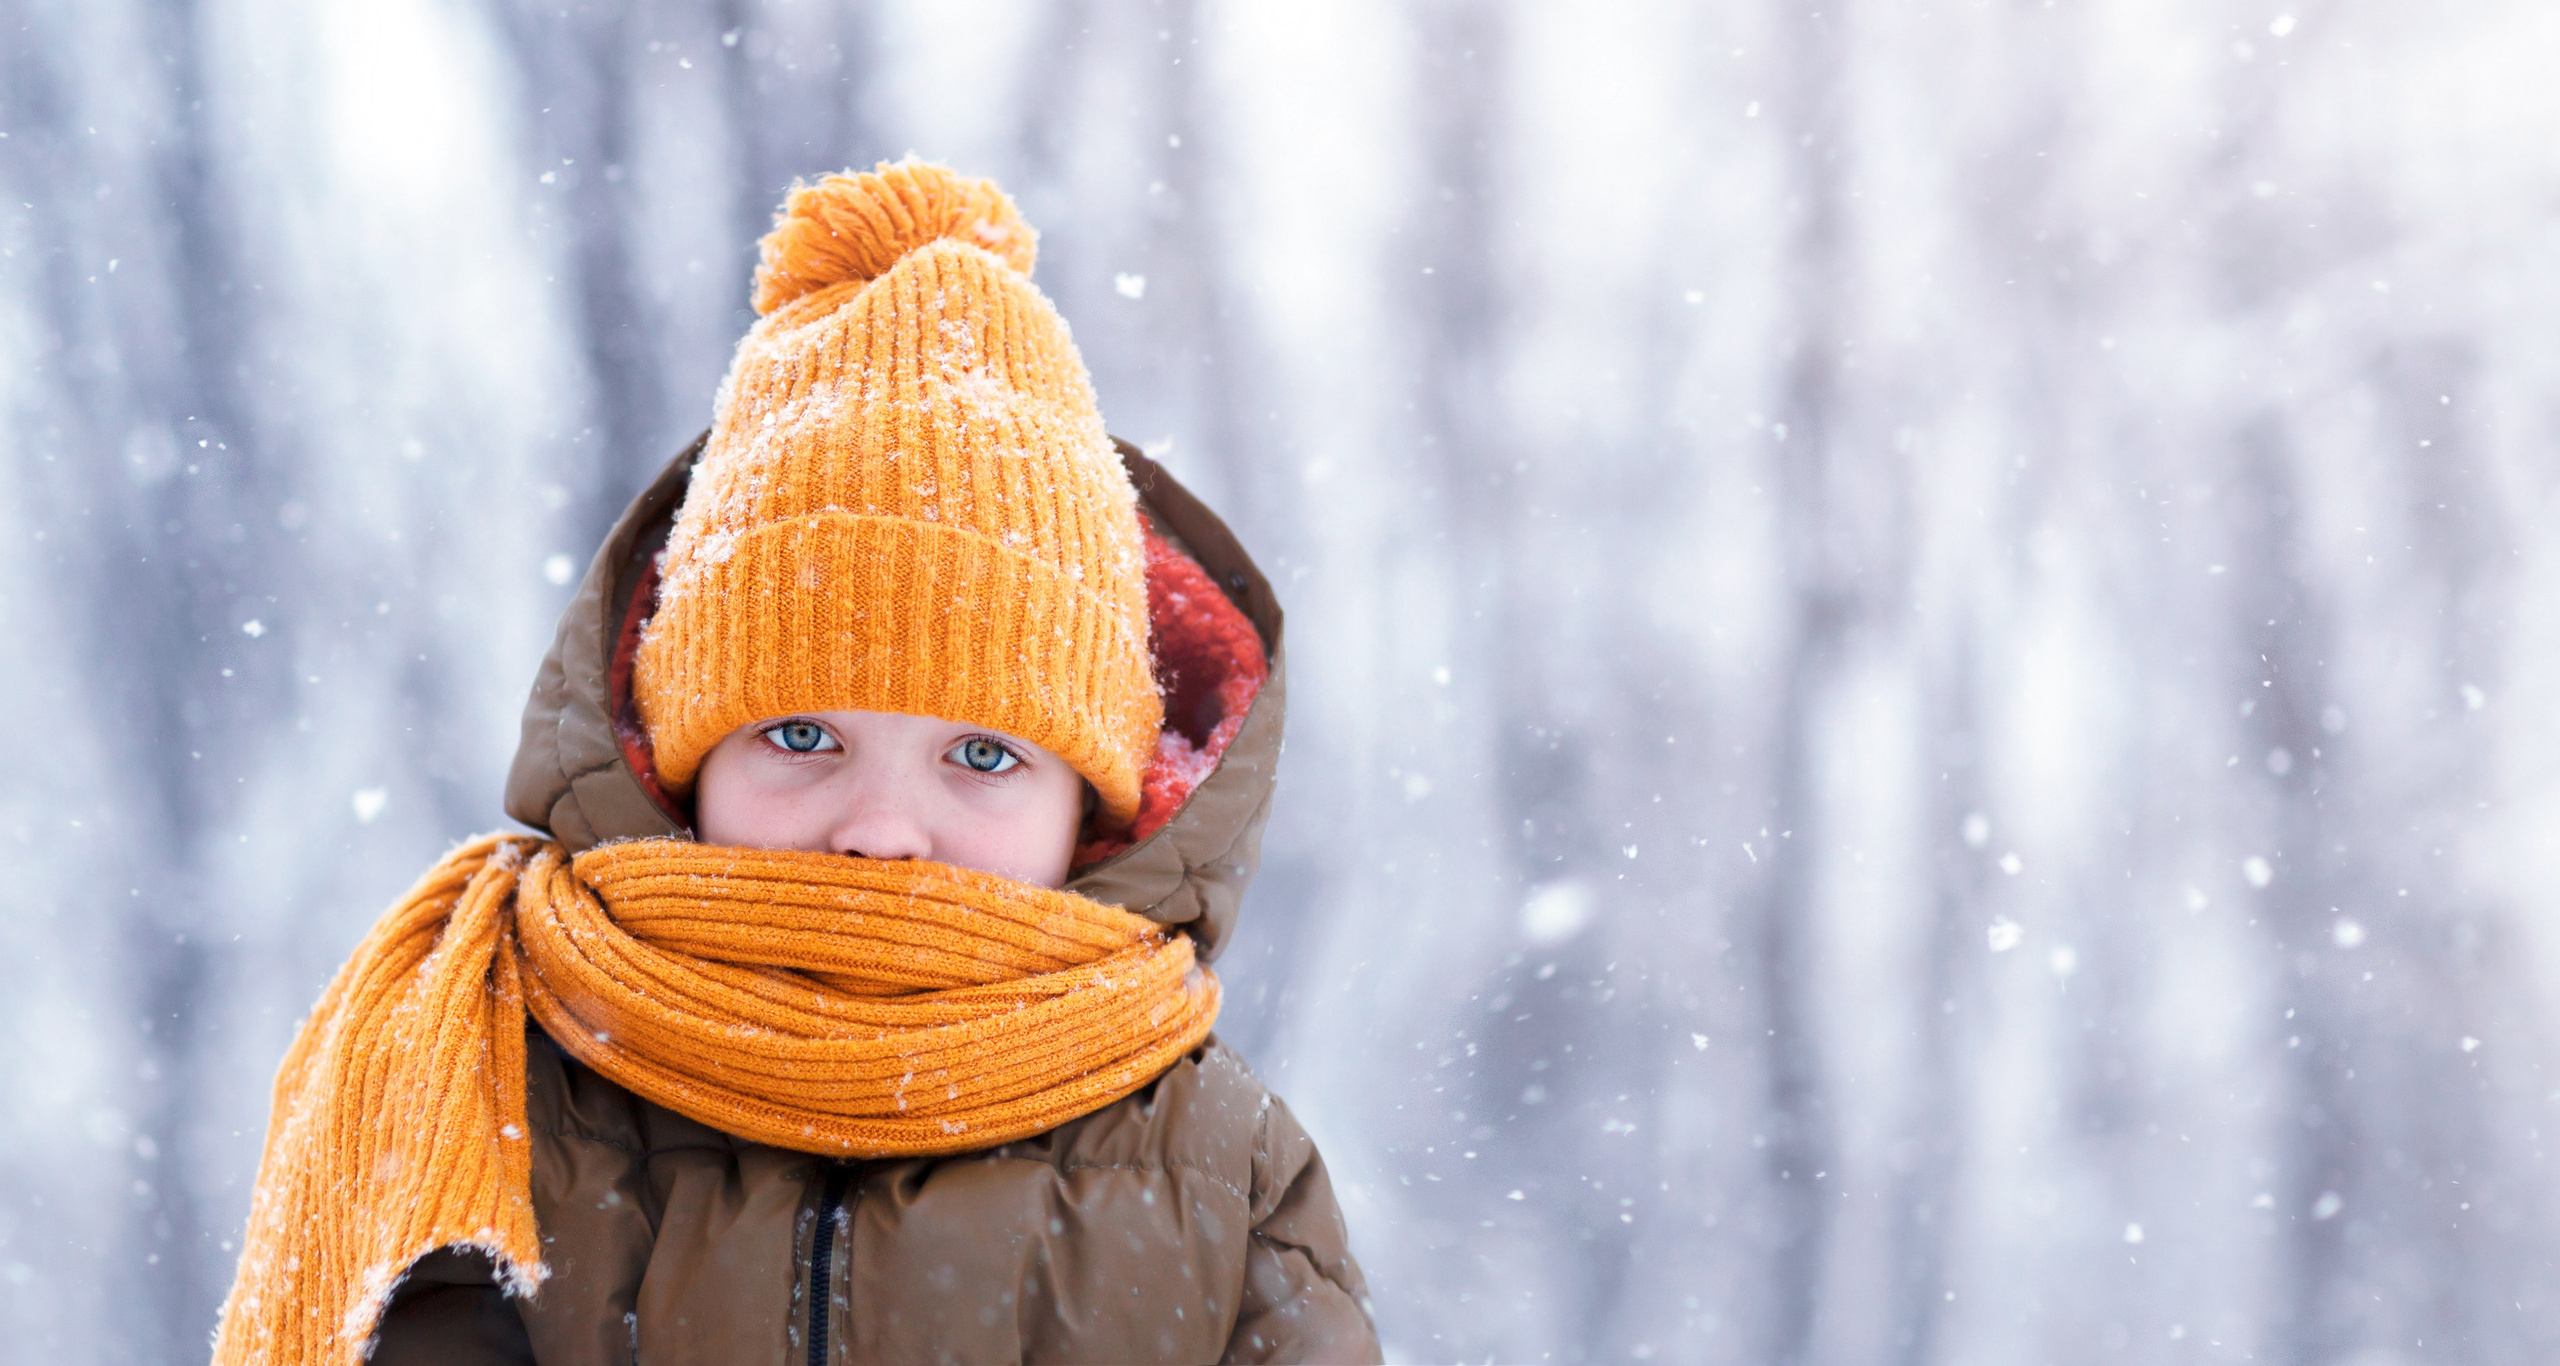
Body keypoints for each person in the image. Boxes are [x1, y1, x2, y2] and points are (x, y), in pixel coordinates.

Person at [210, 159, 1378, 1365]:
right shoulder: (491, 1077)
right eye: (802, 737)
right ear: (674, 756)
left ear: (1088, 806)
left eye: (980, 752)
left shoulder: (1214, 1164)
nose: (880, 827)